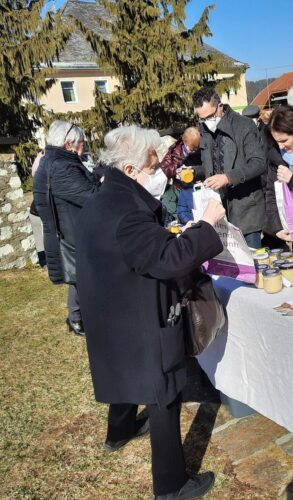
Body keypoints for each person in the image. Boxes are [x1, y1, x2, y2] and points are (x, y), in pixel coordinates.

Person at [75, 125, 225, 500]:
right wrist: (206, 225)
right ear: (129, 170)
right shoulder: (127, 211)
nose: (160, 168)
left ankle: (119, 432)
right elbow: (168, 261)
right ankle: (171, 486)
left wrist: (175, 236)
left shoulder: (101, 198)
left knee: (126, 375)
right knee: (164, 393)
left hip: (112, 310)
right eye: (152, 162)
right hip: (139, 315)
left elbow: (140, 251)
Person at [33, 120, 101, 337]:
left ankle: (79, 317)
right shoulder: (62, 166)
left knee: (79, 276)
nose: (84, 147)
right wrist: (102, 183)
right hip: (70, 232)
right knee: (82, 277)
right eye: (82, 143)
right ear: (69, 144)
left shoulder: (53, 160)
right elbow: (90, 196)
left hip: (69, 229)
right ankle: (79, 319)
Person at [193, 87, 267, 249]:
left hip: (246, 210)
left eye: (210, 116)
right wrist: (193, 172)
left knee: (252, 265)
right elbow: (208, 166)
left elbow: (259, 162)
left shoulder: (244, 125)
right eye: (202, 119)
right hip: (220, 212)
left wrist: (228, 177)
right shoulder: (205, 130)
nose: (207, 122)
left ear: (220, 106)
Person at [264, 105, 293, 242]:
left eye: (284, 140)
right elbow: (270, 193)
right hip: (292, 227)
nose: (281, 146)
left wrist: (292, 179)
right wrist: (277, 228)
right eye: (277, 141)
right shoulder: (275, 156)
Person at [159, 127, 201, 220]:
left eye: (195, 149)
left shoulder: (199, 151)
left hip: (195, 188)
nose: (193, 151)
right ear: (184, 142)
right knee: (182, 213)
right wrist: (177, 168)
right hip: (180, 188)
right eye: (191, 149)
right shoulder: (174, 151)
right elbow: (164, 168)